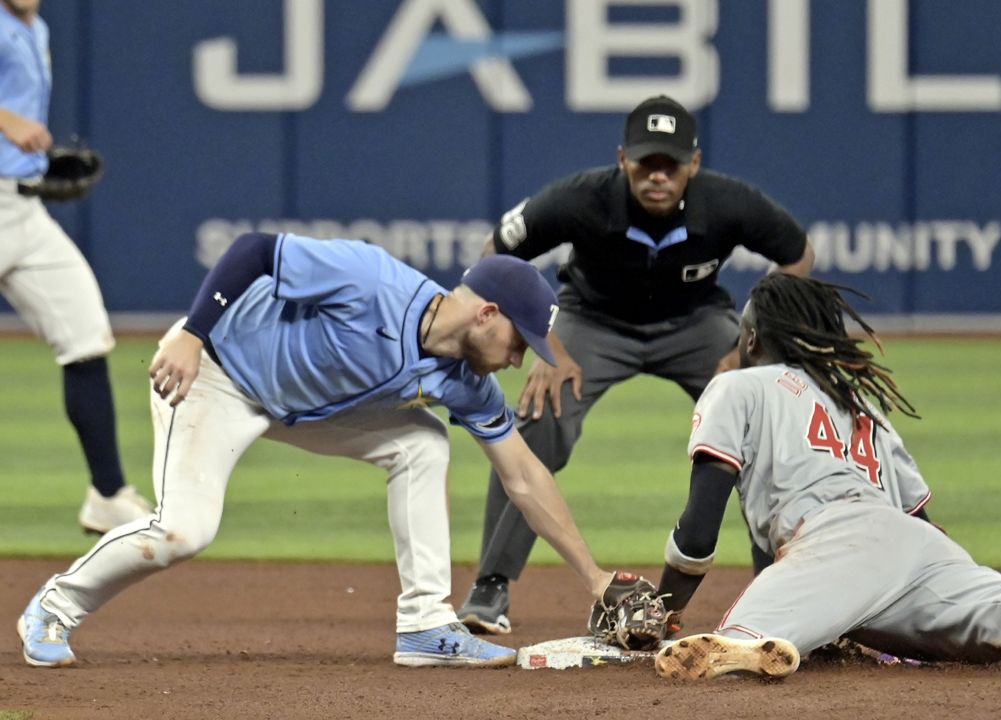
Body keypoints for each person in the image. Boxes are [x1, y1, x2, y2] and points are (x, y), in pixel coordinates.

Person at [17, 231, 632, 669]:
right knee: (184, 531)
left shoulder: (466, 381)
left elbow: (524, 475)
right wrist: (194, 335)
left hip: (294, 407)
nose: (522, 356)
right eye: (520, 339)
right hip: (213, 375)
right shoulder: (371, 280)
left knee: (421, 442)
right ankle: (53, 607)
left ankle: (425, 626)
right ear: (486, 314)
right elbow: (254, 250)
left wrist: (595, 577)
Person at [649, 273, 1001, 683]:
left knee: (726, 649)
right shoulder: (860, 402)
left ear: (750, 340)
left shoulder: (738, 386)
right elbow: (918, 522)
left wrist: (662, 610)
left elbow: (699, 531)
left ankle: (755, 644)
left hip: (833, 539)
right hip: (915, 545)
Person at [457, 95, 816, 634]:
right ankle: (491, 587)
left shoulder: (727, 203)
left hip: (695, 324)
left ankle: (776, 584)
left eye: (669, 164)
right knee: (541, 413)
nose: (657, 175)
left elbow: (798, 255)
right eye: (645, 162)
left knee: (762, 415)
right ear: (623, 158)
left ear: (693, 164)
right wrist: (543, 339)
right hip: (592, 322)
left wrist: (749, 343)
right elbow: (494, 256)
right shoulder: (581, 199)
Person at [0, 0, 153, 533]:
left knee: (86, 334)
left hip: (24, 209)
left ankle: (107, 494)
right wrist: (6, 119)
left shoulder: (34, 25)